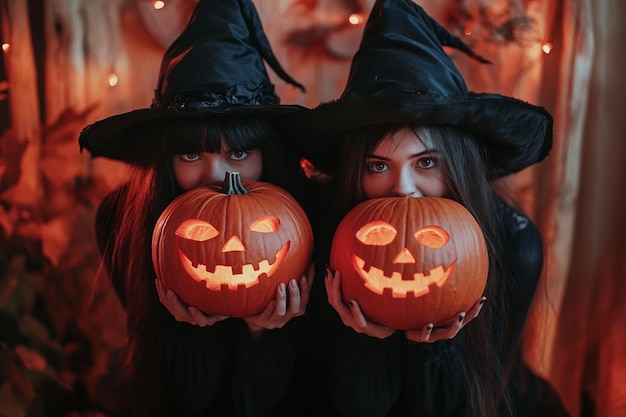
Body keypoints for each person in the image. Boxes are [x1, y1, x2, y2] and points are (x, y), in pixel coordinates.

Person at [287, 0, 569, 416]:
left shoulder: (514, 240)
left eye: (427, 162)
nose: (402, 188)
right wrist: (366, 342)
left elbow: (476, 399)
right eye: (378, 165)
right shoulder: (319, 223)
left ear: (457, 164)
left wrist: (438, 351)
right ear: (354, 170)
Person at [78, 1, 314, 416]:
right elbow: (178, 399)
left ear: (267, 154)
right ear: (165, 160)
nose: (217, 175)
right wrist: (187, 333)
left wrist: (262, 335)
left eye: (239, 153)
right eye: (190, 155)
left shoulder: (310, 214)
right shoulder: (121, 220)